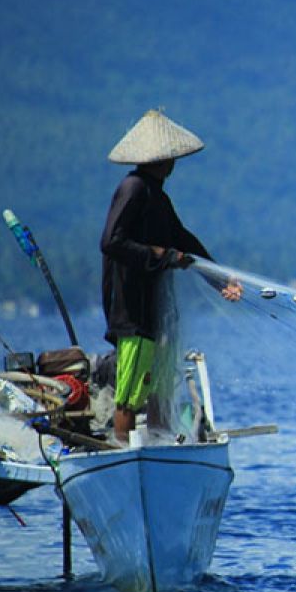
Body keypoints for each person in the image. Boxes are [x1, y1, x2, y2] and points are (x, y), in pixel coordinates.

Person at [100, 109, 241, 444]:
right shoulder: (133, 189)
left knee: (160, 385)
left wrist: (219, 277)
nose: (174, 163)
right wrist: (160, 256)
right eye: (170, 157)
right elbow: (111, 242)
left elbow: (181, 239)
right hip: (131, 310)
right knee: (129, 394)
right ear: (160, 159)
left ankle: (161, 444)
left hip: (154, 309)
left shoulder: (157, 196)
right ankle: (125, 450)